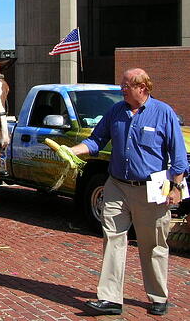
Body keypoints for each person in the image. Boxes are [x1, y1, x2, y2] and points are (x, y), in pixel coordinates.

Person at [64, 68, 188, 316]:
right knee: (112, 239)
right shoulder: (115, 112)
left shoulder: (163, 113)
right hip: (117, 186)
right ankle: (110, 299)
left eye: (126, 85)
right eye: (122, 84)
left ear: (142, 87)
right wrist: (71, 150)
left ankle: (158, 296)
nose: (121, 88)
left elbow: (178, 156)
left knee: (152, 245)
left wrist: (176, 188)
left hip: (151, 190)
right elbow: (96, 140)